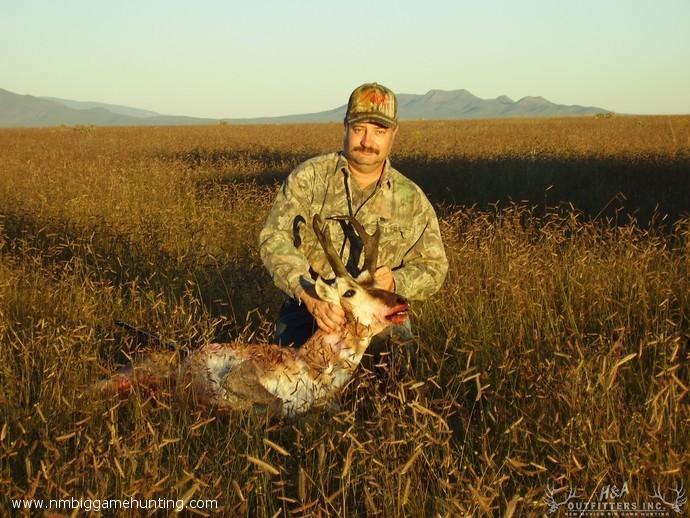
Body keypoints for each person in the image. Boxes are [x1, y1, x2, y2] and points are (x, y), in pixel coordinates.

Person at [259, 82, 448, 357]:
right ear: (345, 127)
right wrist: (309, 295)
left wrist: (396, 283)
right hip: (315, 311)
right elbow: (273, 239)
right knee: (289, 387)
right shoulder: (309, 179)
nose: (368, 142)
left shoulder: (412, 199)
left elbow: (434, 267)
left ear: (393, 133)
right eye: (359, 129)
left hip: (378, 316)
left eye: (379, 131)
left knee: (399, 379)